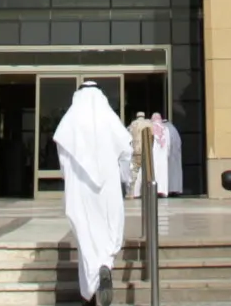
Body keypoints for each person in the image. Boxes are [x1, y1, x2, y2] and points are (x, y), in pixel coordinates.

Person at [52, 81, 134, 303]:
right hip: (107, 188)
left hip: (80, 188)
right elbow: (127, 149)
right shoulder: (109, 119)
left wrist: (68, 176)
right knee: (108, 231)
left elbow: (62, 154)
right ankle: (106, 265)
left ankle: (89, 289)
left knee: (86, 236)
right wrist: (124, 177)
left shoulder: (71, 120)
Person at [147, 111, 183, 196]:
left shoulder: (151, 128)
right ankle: (163, 191)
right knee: (163, 175)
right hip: (164, 157)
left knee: (155, 174)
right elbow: (169, 144)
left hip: (154, 157)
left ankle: (154, 191)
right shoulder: (166, 129)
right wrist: (167, 153)